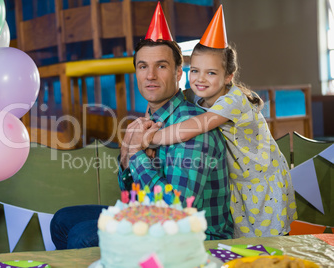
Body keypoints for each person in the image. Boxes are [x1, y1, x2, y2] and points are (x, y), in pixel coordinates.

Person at [50, 3, 233, 249]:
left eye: (161, 66)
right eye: (143, 66)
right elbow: (132, 193)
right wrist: (126, 161)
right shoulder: (146, 120)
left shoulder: (193, 128)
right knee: (62, 220)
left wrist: (135, 155)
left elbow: (176, 211)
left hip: (194, 237)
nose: (150, 76)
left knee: (84, 236)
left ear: (179, 72)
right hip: (151, 216)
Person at [147, 6, 297, 238]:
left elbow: (191, 129)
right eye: (194, 70)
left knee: (267, 243)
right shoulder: (199, 95)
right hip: (238, 181)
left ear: (228, 76)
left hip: (260, 183)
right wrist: (150, 119)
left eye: (211, 73)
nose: (200, 79)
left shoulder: (233, 100)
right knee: (244, 244)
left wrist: (151, 137)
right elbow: (171, 101)